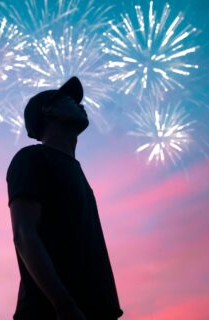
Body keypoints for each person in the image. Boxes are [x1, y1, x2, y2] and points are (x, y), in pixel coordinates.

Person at [6, 76, 123, 320]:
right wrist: (64, 305)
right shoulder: (32, 159)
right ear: (49, 111)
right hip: (51, 313)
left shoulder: (78, 173)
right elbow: (24, 234)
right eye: (68, 99)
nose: (80, 104)